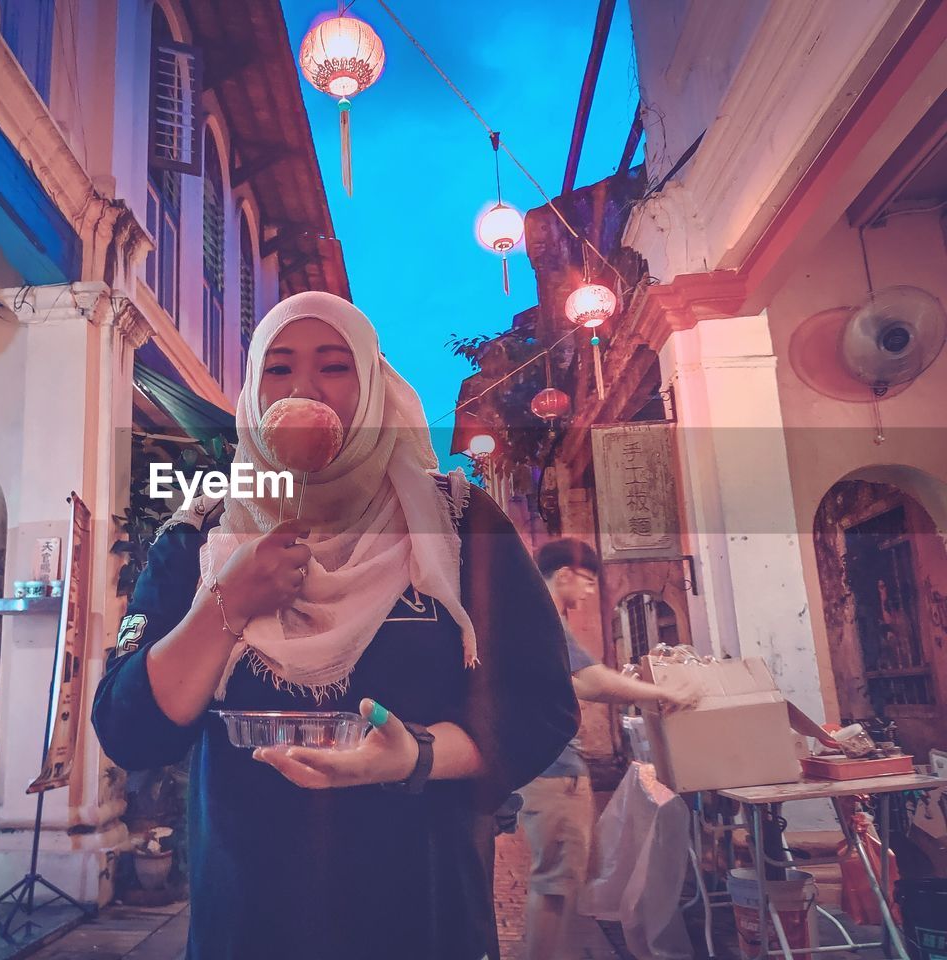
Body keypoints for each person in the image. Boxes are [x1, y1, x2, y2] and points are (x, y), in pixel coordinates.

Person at [94, 292, 578, 960]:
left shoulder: (456, 522)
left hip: (423, 916)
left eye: (334, 367)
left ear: (374, 384)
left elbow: (540, 704)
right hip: (248, 920)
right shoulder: (203, 532)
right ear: (254, 393)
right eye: (279, 369)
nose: (304, 389)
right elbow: (128, 727)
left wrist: (418, 755)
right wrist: (225, 604)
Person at [517, 538, 700, 960]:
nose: (589, 591)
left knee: (567, 879)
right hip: (553, 771)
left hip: (554, 769)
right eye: (587, 581)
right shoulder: (541, 618)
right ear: (564, 574)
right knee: (557, 887)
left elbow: (580, 682)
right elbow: (592, 681)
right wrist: (658, 692)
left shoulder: (530, 619)